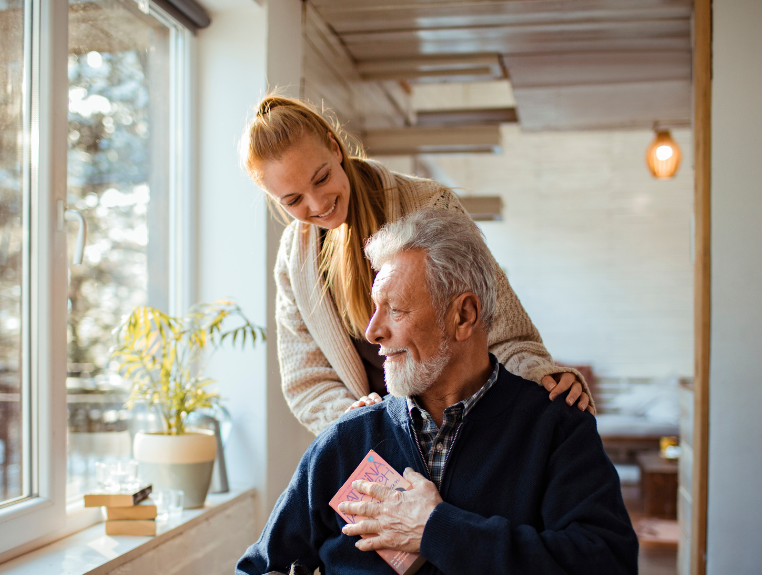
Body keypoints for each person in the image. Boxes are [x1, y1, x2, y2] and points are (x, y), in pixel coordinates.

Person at [235, 208, 638, 575]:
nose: (373, 331)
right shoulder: (349, 438)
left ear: (464, 315)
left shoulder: (555, 428)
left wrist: (437, 530)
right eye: (375, 309)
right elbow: (259, 573)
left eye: (395, 310)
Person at [244, 95, 593, 435]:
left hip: (465, 426)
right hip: (377, 442)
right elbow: (306, 379)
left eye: (321, 178)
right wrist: (350, 419)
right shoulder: (294, 258)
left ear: (335, 148)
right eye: (293, 200)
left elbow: (499, 323)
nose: (317, 203)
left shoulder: (430, 204)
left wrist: (541, 375)